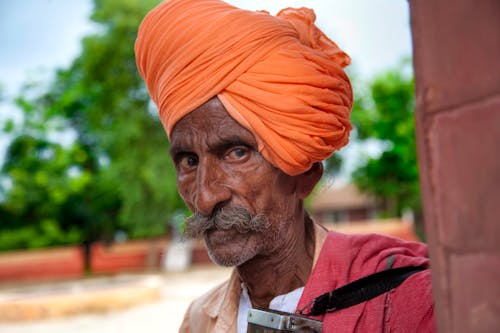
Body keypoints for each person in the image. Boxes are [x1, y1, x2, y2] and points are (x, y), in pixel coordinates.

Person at [134, 0, 435, 332]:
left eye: (236, 153)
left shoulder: (407, 297)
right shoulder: (200, 319)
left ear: (305, 173)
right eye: (189, 161)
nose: (204, 198)